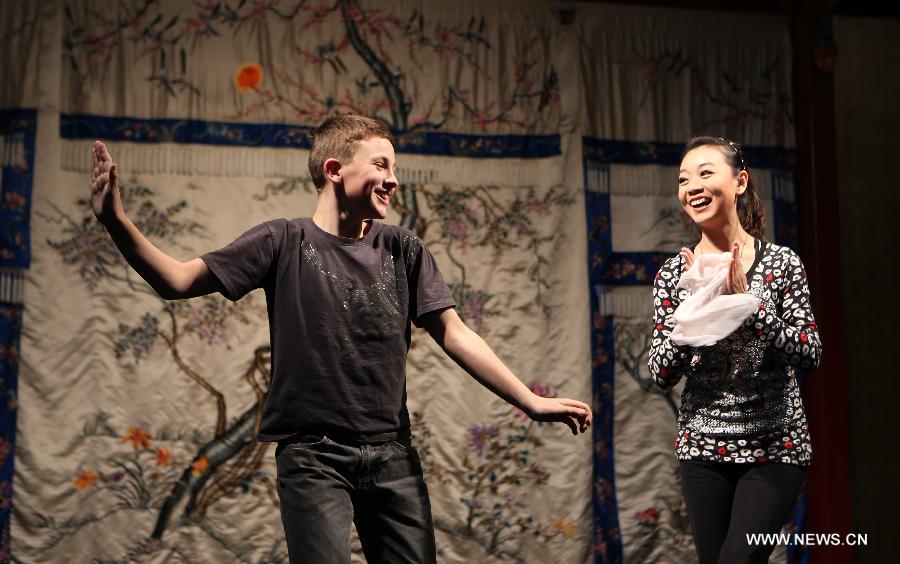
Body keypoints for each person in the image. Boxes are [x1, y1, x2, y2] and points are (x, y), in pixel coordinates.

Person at [89, 114, 592, 563]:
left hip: (392, 454)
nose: (393, 179)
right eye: (380, 165)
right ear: (335, 170)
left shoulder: (402, 249)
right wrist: (115, 219)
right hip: (313, 458)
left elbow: (455, 334)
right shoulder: (282, 241)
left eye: (394, 167)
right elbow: (177, 281)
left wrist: (530, 400)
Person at [648, 136, 822, 563]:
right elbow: (660, 372)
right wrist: (691, 313)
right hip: (703, 448)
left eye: (706, 173)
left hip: (775, 446)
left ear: (740, 181)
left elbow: (809, 353)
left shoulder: (781, 264)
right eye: (684, 179)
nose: (692, 186)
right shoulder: (675, 275)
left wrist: (750, 307)